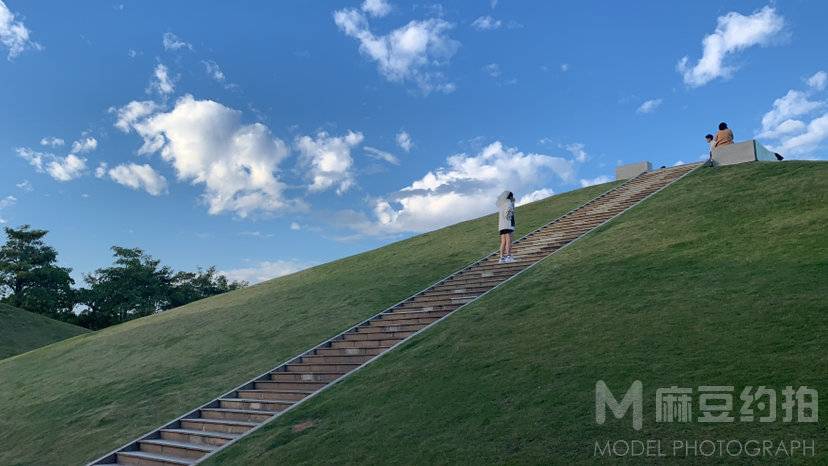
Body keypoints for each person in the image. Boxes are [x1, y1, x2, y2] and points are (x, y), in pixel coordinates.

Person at [496, 191, 516, 263]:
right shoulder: (509, 203)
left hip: (501, 226)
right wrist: (513, 204)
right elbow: (508, 214)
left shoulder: (502, 204)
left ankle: (501, 258)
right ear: (510, 197)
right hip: (507, 225)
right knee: (508, 241)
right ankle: (508, 256)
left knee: (503, 242)